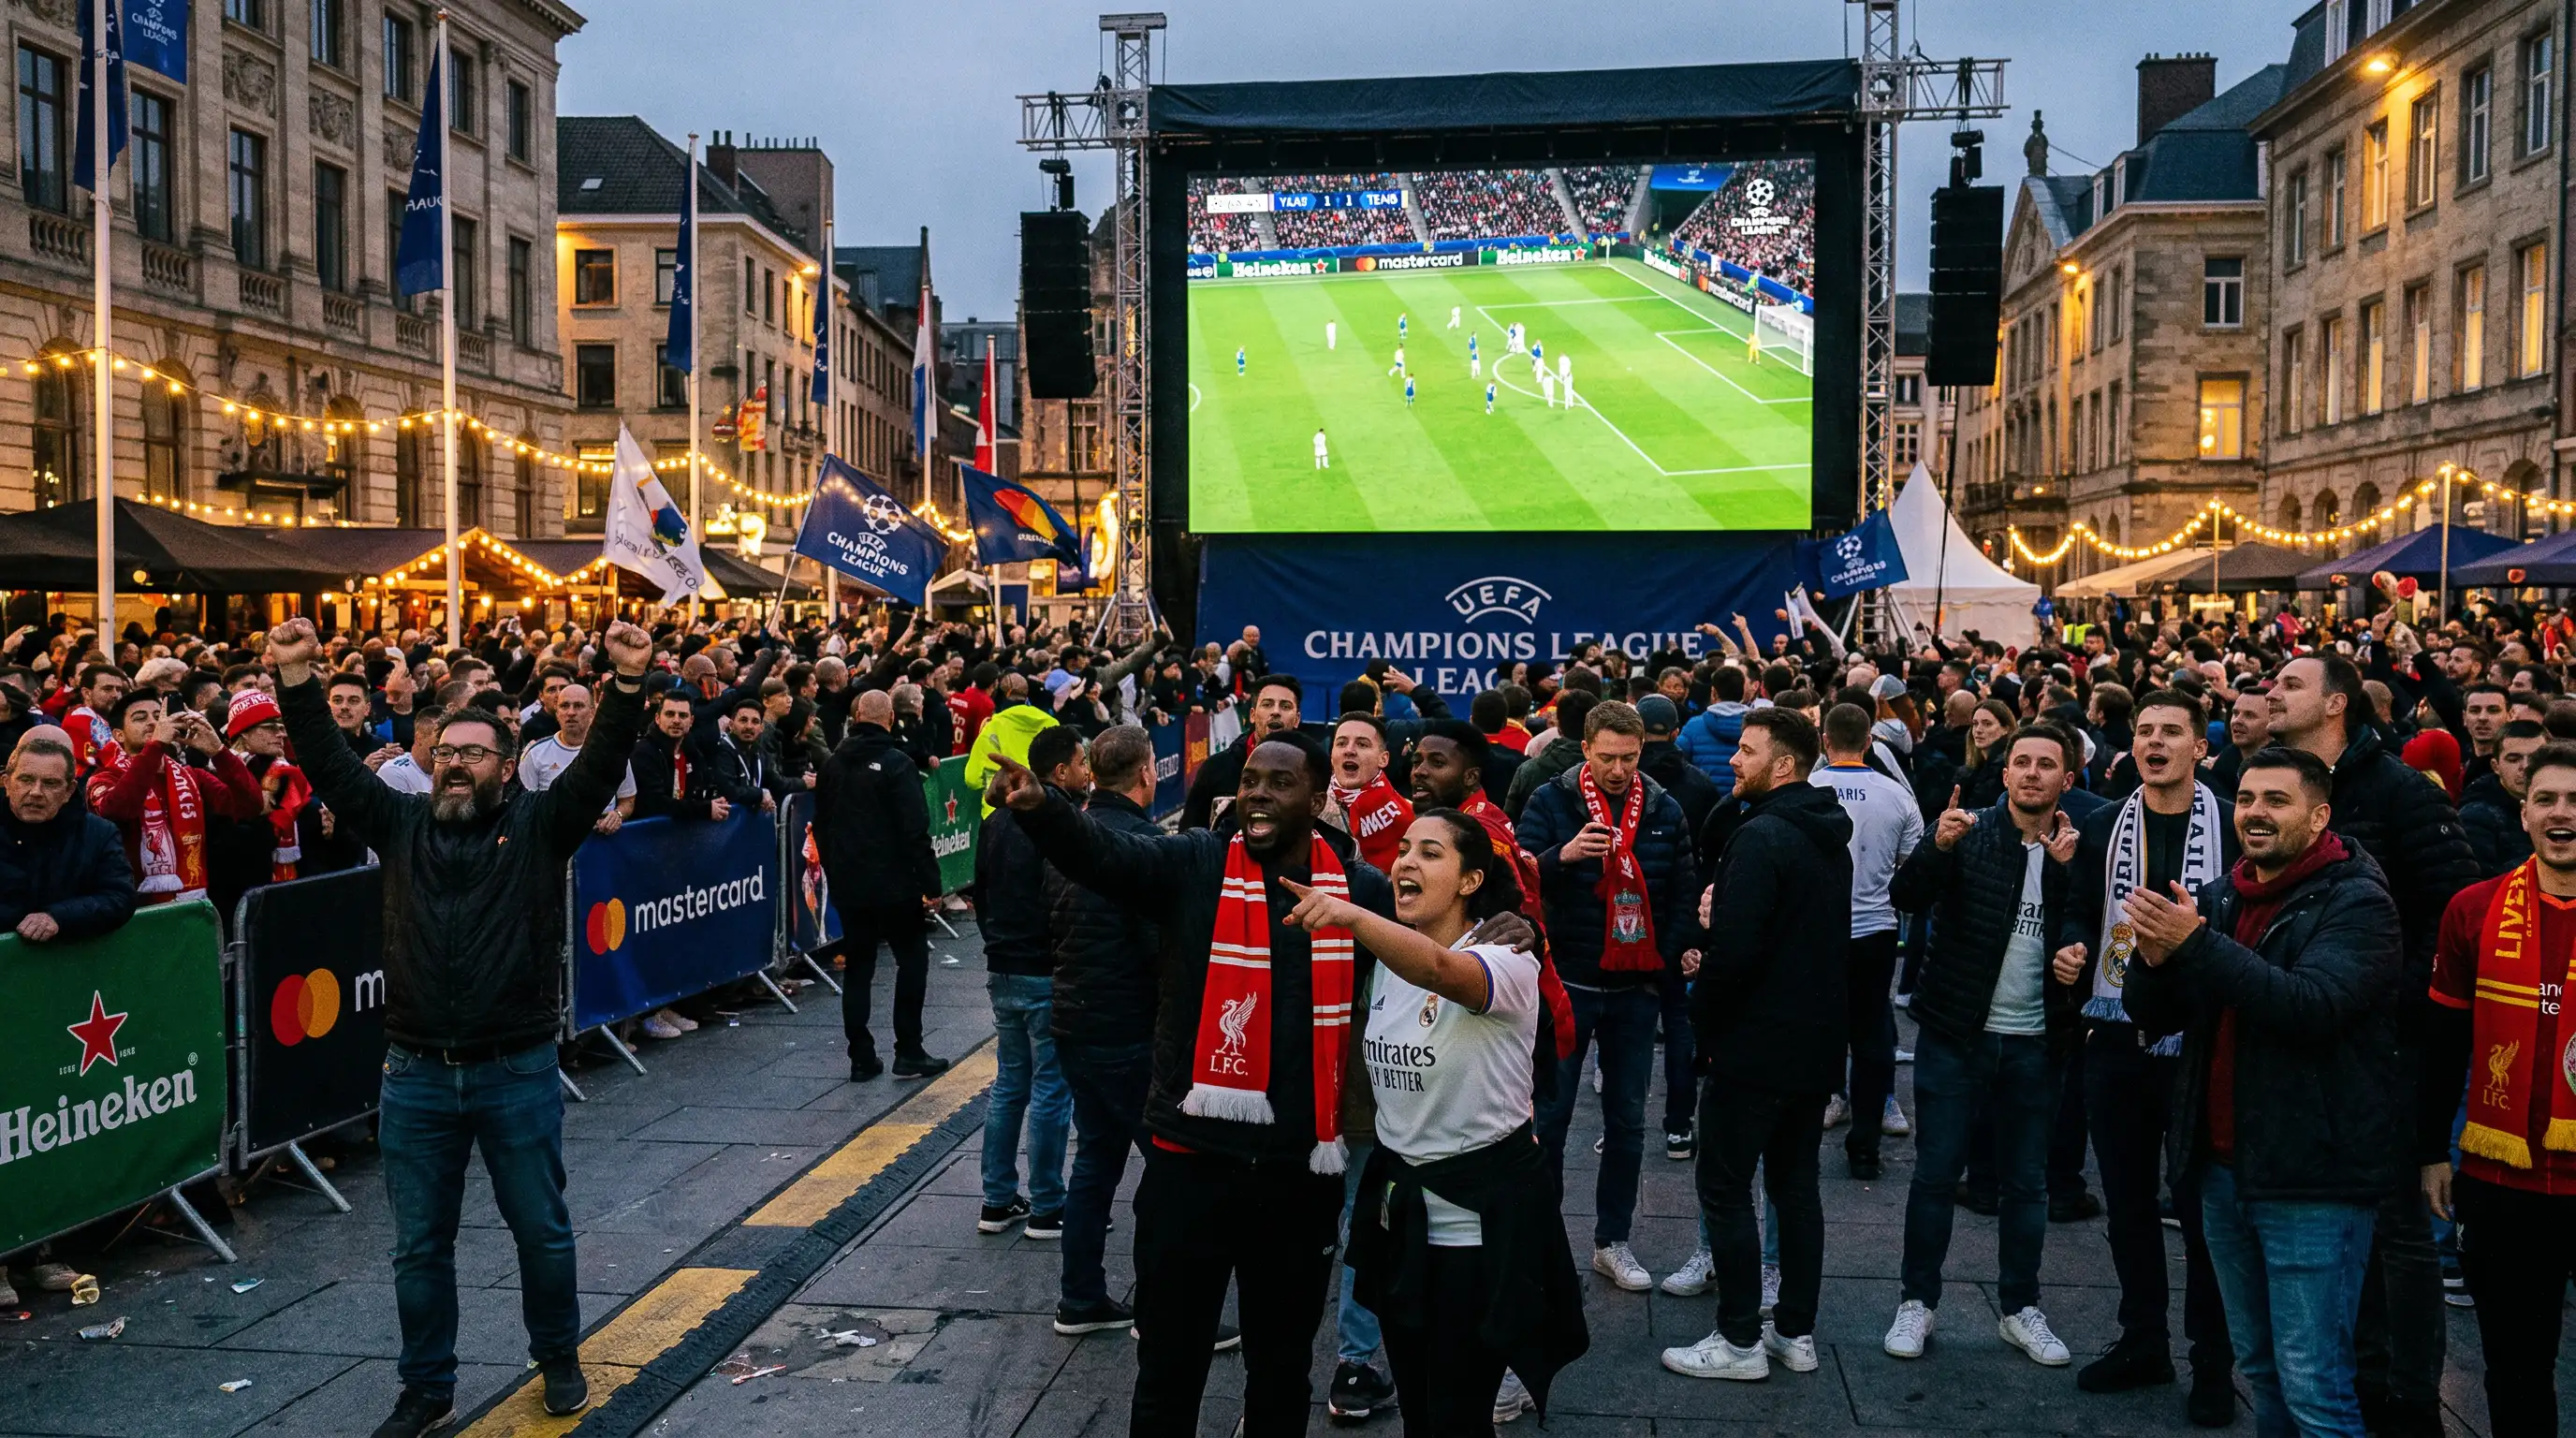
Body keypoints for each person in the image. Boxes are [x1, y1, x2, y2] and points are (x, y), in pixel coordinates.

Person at [268, 615, 655, 1438]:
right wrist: (297, 680)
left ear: (506, 768)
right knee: (418, 1247)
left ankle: (557, 1357)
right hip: (413, 1073)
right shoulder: (402, 824)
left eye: (472, 753)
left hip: (513, 1069)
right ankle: (426, 1388)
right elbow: (331, 766)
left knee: (542, 1233)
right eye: (444, 751)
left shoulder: (543, 826)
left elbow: (603, 765)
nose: (453, 764)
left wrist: (625, 683)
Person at [985, 734, 1409, 1437]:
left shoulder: (1359, 892)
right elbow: (1109, 857)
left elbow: (1434, 946)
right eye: (1249, 782)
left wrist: (1514, 926)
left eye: (1279, 783)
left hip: (1297, 1175)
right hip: (1190, 1166)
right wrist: (1044, 811)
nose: (1259, 795)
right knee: (1168, 1370)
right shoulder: (1196, 863)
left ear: (1316, 798)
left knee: (1281, 1370)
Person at [2124, 746, 2405, 1438]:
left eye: (2276, 801)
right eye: (2246, 798)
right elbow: (2156, 1014)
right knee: (2263, 1369)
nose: (2254, 813)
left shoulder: (2358, 901)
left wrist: (2194, 945)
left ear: (2319, 816)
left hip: (2313, 1178)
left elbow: (2308, 1005)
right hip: (2224, 1172)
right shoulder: (2224, 894)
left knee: (2316, 1385)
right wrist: (2155, 961)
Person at [1310, 810, 1590, 1431]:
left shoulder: (1509, 957)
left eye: (1430, 853)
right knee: (1417, 1408)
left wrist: (1354, 916)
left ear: (1470, 881)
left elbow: (1442, 972)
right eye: (1403, 849)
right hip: (1401, 1224)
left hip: (1477, 1234)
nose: (1406, 861)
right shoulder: (1383, 957)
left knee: (1456, 1415)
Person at [2268, 654, 2477, 1437]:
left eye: (2290, 685)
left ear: (2335, 705)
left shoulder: (2394, 790)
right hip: (2307, 1038)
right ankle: (2352, 1370)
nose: (2271, 693)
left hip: (2387, 1045)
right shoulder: (2282, 779)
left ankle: (2412, 1399)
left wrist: (2392, 995)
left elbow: (2457, 910)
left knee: (2397, 1227)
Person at [2054, 691, 2237, 1425]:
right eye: (2145, 731)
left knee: (2203, 1214)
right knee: (2128, 1205)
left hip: (2201, 1043)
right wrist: (2072, 946)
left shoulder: (2231, 819)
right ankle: (2142, 1340)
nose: (2155, 742)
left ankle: (2214, 1364)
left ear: (2200, 747)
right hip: (2116, 1036)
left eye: (2171, 732)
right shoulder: (2105, 822)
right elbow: (2077, 905)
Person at [1884, 726, 2084, 1367]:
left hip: (2037, 1041)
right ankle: (1917, 1302)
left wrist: (2077, 932)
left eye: (2045, 764)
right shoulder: (1968, 833)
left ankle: (2021, 1307)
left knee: (2027, 1184)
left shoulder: (2078, 847)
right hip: (1956, 1034)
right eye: (2020, 762)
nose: (2030, 773)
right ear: (2004, 776)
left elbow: (2105, 929)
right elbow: (1905, 898)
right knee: (1936, 1175)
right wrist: (1937, 850)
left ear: (2067, 781)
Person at [1661, 708, 1850, 1382]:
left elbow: (1736, 954)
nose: (1732, 761)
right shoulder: (1826, 833)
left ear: (1784, 766)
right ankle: (1793, 1332)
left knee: (1725, 1186)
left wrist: (1702, 1023)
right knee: (1796, 1188)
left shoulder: (1763, 834)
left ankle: (1740, 1339)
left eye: (1745, 751)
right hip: (1814, 1044)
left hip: (1756, 1045)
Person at [2423, 741, 2576, 1437]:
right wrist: (2431, 1149)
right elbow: (2445, 1042)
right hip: (2503, 1181)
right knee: (2516, 1367)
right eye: (2546, 799)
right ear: (2524, 814)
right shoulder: (2474, 910)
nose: (2561, 813)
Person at [1520, 701, 1695, 1293]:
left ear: (1641, 751)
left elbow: (1681, 888)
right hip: (1568, 979)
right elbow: (1516, 879)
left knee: (1627, 1121)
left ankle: (1612, 1241)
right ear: (1586, 749)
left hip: (1633, 989)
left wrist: (1662, 963)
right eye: (1607, 757)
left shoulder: (1665, 808)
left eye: (1629, 757)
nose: (1618, 769)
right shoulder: (1552, 800)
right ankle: (1539, 1242)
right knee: (1551, 1115)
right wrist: (1562, 857)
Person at [1045, 726, 1164, 1337]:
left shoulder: (1070, 840)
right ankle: (1162, 1304)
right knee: (1169, 1170)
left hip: (1074, 1019)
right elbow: (1156, 946)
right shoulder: (1143, 846)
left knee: (1095, 1159)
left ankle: (1081, 1295)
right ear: (1147, 774)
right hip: (1129, 1028)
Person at [972, 725, 1083, 1238]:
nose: (1087, 773)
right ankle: (1047, 1204)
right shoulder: (1053, 823)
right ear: (1060, 771)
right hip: (1042, 967)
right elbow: (1064, 900)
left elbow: (981, 890)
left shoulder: (997, 821)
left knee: (1010, 1083)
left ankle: (996, 1200)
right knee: (1050, 1089)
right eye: (1081, 763)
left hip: (1004, 964)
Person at [1813, 702, 1923, 1181]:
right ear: (1870, 742)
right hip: (1876, 930)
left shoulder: (1808, 790)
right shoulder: (1896, 795)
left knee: (1817, 1023)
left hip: (1817, 928)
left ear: (1825, 740)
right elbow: (1912, 864)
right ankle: (1865, 1146)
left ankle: (1815, 1113)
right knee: (1872, 1028)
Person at [815, 690, 949, 1081]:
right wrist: (931, 882)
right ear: (890, 718)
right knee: (912, 962)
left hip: (851, 883)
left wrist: (834, 871)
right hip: (894, 885)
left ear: (857, 716)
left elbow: (821, 826)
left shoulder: (833, 764)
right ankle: (908, 1049)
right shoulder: (897, 763)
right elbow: (914, 829)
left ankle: (860, 1055)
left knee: (859, 967)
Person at [85, 690, 261, 908]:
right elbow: (118, 811)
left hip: (192, 905)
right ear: (119, 735)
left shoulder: (192, 775)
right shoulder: (105, 777)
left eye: (159, 716)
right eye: (140, 718)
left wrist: (218, 751)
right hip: (131, 909)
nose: (153, 723)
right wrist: (156, 745)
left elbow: (250, 806)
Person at [1, 731, 135, 944]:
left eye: (50, 783)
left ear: (68, 790)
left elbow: (119, 897)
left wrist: (59, 916)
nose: (36, 792)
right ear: (6, 783)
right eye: (26, 780)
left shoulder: (100, 834)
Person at [1181, 674, 1301, 831]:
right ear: (1252, 715)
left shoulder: (1311, 771)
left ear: (1297, 719)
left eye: (1285, 706)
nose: (1276, 712)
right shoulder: (1216, 768)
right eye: (1267, 704)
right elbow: (1189, 834)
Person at [516, 684, 637, 834]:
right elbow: (523, 806)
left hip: (600, 840)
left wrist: (618, 815)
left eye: (578, 706)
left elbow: (628, 799)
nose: (571, 712)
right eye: (564, 706)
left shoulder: (613, 751)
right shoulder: (535, 754)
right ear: (557, 712)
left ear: (592, 712)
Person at [1329, 713, 1413, 874]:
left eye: (1362, 744)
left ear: (1383, 759)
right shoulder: (1312, 807)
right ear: (1331, 756)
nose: (1349, 750)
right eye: (1341, 743)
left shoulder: (1411, 818)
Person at [2460, 718, 2544, 877]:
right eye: (2514, 759)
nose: (2525, 767)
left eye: (2535, 758)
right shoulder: (2476, 818)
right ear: (2495, 766)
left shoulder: (2564, 808)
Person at [631, 693, 725, 822]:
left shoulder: (693, 752)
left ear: (691, 721)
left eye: (683, 715)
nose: (676, 720)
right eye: (670, 714)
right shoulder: (643, 752)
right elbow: (654, 803)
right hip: (647, 835)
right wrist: (704, 809)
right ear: (658, 719)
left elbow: (706, 785)